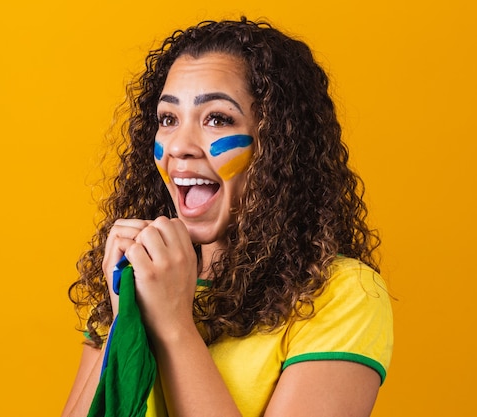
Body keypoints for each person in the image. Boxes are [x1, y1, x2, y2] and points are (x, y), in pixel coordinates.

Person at [62, 17, 393, 417]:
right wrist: (122, 321)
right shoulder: (137, 277)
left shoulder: (339, 295)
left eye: (217, 119)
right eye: (168, 119)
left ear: (277, 145)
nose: (179, 147)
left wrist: (174, 326)